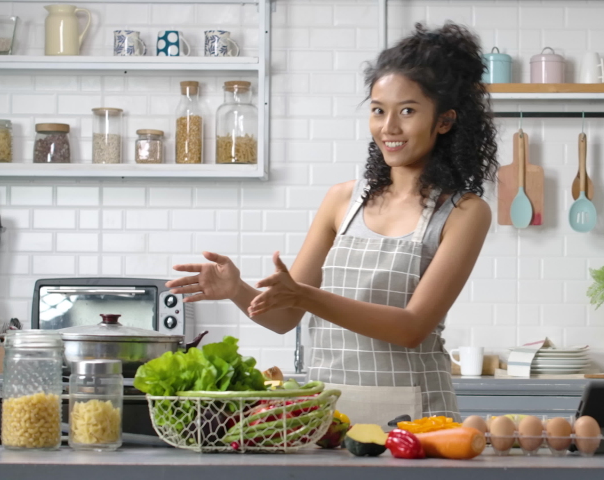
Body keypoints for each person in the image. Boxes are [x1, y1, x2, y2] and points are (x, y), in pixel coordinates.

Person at [166, 22, 498, 426]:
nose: (388, 127)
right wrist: (238, 290)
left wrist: (304, 296)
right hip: (328, 415)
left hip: (417, 418)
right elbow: (284, 318)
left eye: (407, 111)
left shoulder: (464, 212)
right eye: (378, 110)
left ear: (444, 121)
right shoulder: (342, 201)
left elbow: (412, 328)